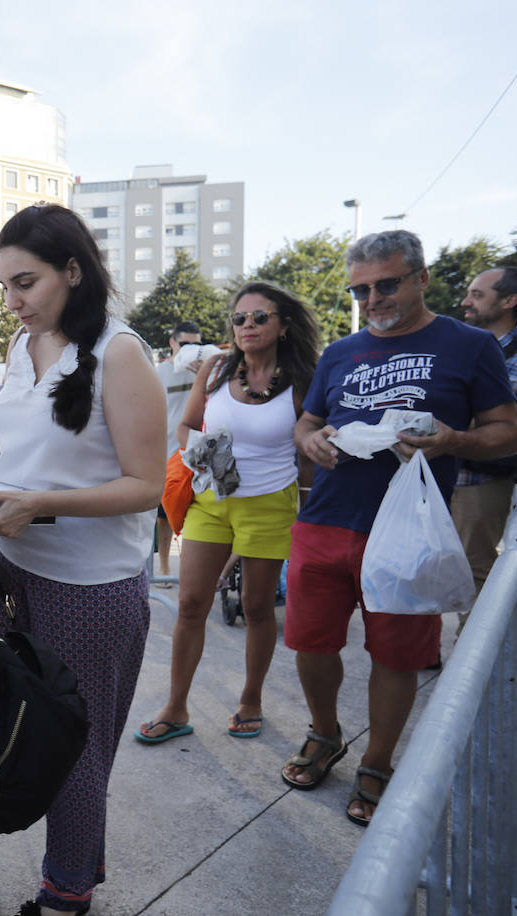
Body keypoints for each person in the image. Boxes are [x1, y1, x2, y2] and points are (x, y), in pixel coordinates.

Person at [0, 204, 165, 916]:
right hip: (1, 560)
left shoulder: (122, 353)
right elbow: (6, 447)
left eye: (26, 283)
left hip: (89, 584)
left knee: (73, 748)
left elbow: (146, 485)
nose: (13, 302)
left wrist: (40, 504)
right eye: (5, 287)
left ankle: (67, 890)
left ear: (73, 271)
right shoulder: (21, 344)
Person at [282, 230, 517, 826]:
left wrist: (455, 441)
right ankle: (326, 733)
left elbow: (506, 432)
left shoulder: (468, 345)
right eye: (360, 289)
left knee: (395, 654)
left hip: (409, 528)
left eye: (386, 284)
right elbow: (308, 423)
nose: (373, 299)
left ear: (422, 279)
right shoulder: (341, 352)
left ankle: (379, 761)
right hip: (324, 520)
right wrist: (310, 438)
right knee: (310, 643)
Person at [136, 282, 320, 744]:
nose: (248, 326)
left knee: (258, 608)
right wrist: (191, 447)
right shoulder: (217, 369)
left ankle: (251, 699)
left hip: (270, 503)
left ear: (283, 325)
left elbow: (307, 448)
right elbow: (184, 423)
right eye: (240, 318)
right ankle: (176, 706)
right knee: (191, 604)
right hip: (211, 500)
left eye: (260, 317)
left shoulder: (301, 378)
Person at [452, 266, 517, 598]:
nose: (464, 302)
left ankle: (472, 651)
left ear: (509, 301)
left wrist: (497, 426)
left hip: (481, 483)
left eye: (476, 294)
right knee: (420, 568)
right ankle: (428, 651)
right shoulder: (457, 345)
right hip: (432, 472)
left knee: (475, 572)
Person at [153, 321, 203, 578]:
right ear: (172, 343)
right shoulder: (158, 372)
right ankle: (163, 566)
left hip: (201, 453)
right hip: (169, 454)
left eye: (197, 344)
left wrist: (204, 373)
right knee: (166, 514)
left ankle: (193, 568)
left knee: (200, 511)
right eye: (186, 344)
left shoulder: (206, 369)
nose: (192, 350)